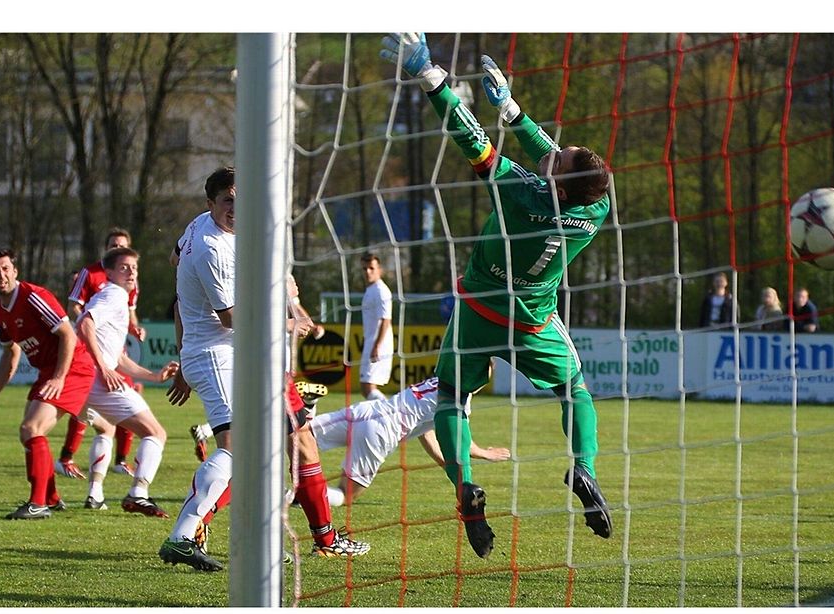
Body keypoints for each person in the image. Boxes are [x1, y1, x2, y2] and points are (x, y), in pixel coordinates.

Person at [380, 34, 613, 559]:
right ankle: (584, 467)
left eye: (560, 156)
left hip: (480, 310)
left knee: (450, 398)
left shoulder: (517, 190)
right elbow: (557, 159)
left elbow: (469, 136)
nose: (554, 150)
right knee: (574, 388)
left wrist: (432, 78)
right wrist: (512, 111)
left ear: (557, 181)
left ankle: (465, 487)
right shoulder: (594, 208)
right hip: (533, 319)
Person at [158, 166, 368, 571]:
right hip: (222, 355)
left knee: (296, 439)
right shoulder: (212, 248)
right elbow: (231, 318)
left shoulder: (203, 228)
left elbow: (177, 267)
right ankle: (185, 534)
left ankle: (314, 539)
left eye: (241, 199)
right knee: (237, 450)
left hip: (249, 355)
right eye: (227, 201)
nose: (235, 208)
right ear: (211, 203)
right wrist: (289, 322)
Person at [190, 376, 511, 507]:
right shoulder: (460, 401)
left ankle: (221, 436)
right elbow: (459, 445)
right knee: (345, 493)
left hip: (365, 411)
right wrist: (485, 453)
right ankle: (284, 498)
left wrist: (445, 464)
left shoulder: (439, 380)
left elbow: (429, 433)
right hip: (381, 431)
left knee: (297, 435)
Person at [0, 247, 96, 519]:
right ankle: (50, 499)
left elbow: (68, 335)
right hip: (48, 371)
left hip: (73, 368)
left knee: (31, 428)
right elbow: (10, 354)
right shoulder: (0, 311)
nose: (1, 274)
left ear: (15, 271)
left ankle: (38, 503)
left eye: (6, 268)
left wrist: (59, 377)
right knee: (28, 433)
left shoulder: (33, 296)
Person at [75, 246, 179, 516]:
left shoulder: (117, 297)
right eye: (124, 268)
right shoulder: (113, 294)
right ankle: (138, 493)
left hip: (81, 381)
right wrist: (103, 368)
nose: (131, 272)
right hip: (94, 379)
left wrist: (154, 376)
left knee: (105, 428)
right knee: (155, 433)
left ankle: (93, 494)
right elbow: (85, 324)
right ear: (108, 273)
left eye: (134, 267)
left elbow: (119, 359)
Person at [57, 228, 144, 479]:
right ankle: (66, 457)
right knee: (85, 401)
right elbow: (75, 306)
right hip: (91, 349)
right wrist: (90, 326)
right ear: (106, 249)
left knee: (129, 393)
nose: (118, 248)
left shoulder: (130, 278)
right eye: (114, 245)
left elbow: (129, 312)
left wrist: (134, 328)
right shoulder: (90, 273)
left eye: (122, 245)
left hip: (114, 351)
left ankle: (120, 461)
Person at [359, 253, 393, 401]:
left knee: (368, 386)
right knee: (365, 387)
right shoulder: (371, 289)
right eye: (364, 268)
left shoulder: (381, 290)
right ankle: (388, 411)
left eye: (371, 268)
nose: (368, 272)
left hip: (379, 344)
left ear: (380, 270)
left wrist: (377, 346)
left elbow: (386, 320)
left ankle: (392, 413)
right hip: (371, 342)